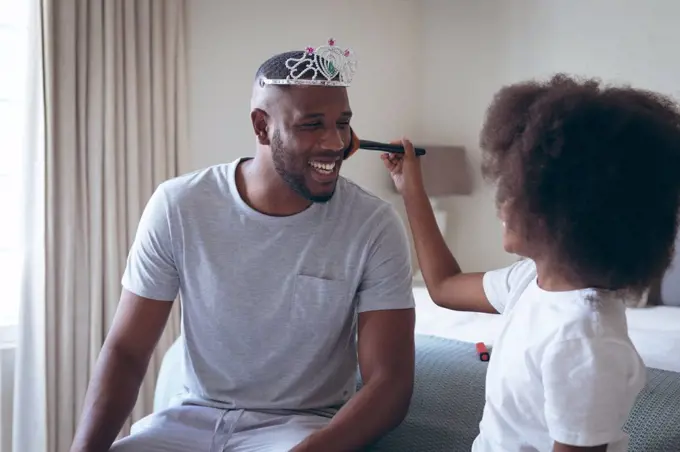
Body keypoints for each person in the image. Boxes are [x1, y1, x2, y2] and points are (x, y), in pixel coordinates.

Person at [70, 39, 416, 452]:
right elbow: (126, 351)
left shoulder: (373, 225)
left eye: (343, 123)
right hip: (188, 420)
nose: (336, 143)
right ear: (260, 126)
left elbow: (389, 383)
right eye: (312, 124)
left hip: (299, 430)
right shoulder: (179, 205)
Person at [383, 74, 680, 452]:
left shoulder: (583, 341)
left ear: (568, 213)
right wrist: (411, 188)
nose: (502, 204)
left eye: (516, 190)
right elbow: (442, 285)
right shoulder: (529, 281)